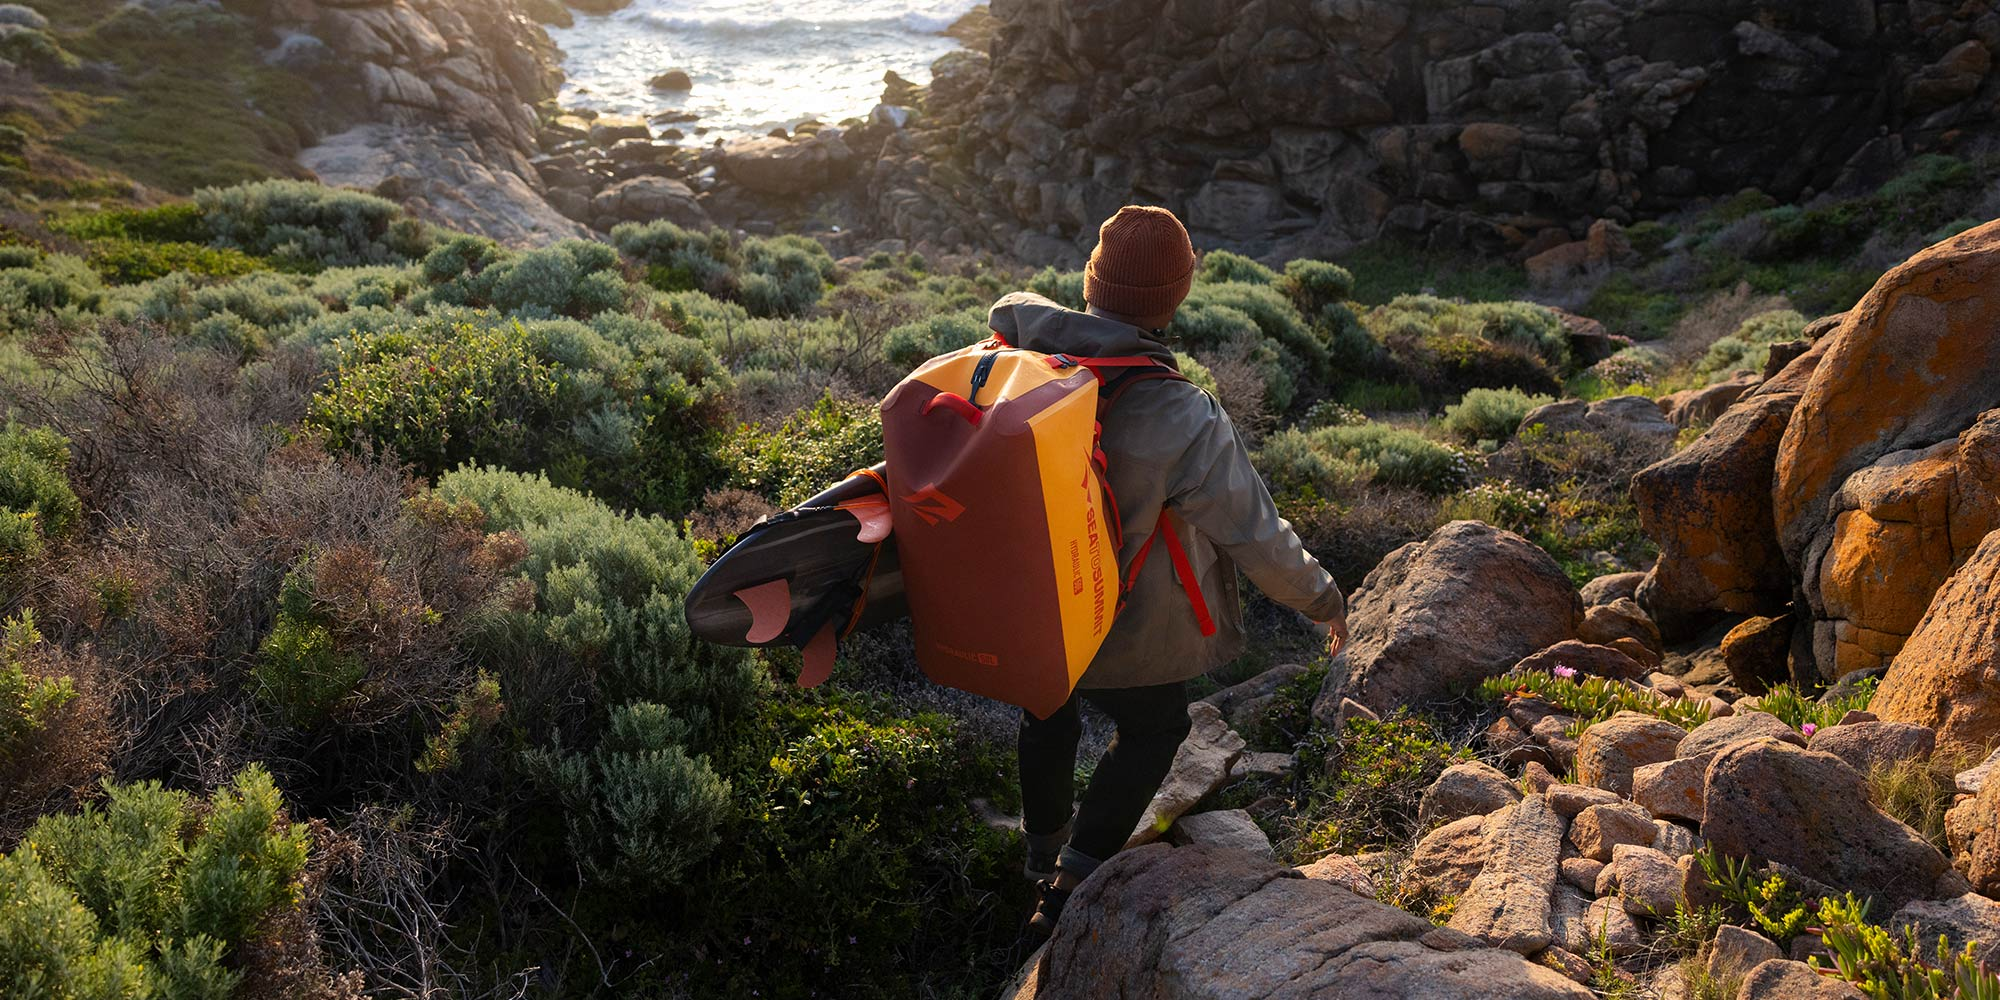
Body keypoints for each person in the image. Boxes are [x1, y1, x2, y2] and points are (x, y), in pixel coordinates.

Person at [987, 205, 1349, 940]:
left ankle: (1039, 851)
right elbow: (1256, 535)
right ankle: (1069, 887)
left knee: (1047, 706)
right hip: (1113, 619)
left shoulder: (1015, 353)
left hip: (1022, 601)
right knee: (1156, 728)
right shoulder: (1184, 414)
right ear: (1176, 297)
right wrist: (1323, 598)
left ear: (1090, 282)